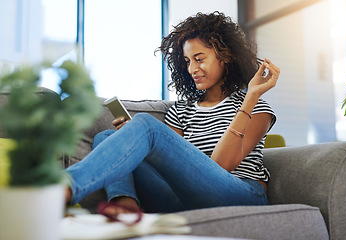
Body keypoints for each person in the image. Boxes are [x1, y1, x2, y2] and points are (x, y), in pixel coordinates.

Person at [65, 11, 280, 215]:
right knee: (106, 136)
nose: (192, 69)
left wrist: (251, 95)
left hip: (241, 195)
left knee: (147, 126)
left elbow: (221, 166)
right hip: (186, 200)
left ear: (224, 56)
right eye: (187, 61)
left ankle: (65, 188)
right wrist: (131, 138)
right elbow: (167, 171)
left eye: (199, 58)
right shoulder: (181, 110)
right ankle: (125, 206)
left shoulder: (256, 108)